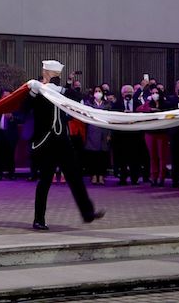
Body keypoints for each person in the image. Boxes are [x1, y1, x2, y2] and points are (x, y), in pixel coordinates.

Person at [24, 60, 105, 230]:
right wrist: (33, 92)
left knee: (75, 177)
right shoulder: (38, 90)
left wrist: (59, 89)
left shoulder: (61, 92)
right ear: (46, 73)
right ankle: (38, 219)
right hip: (46, 141)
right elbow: (23, 109)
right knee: (45, 180)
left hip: (63, 141)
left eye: (58, 76)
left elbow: (78, 98)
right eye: (55, 75)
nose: (57, 78)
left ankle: (87, 213)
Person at [137, 86, 170, 186]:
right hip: (150, 133)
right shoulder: (148, 104)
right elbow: (138, 110)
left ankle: (161, 177)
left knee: (162, 156)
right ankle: (153, 177)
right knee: (152, 157)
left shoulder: (165, 105)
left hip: (162, 133)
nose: (155, 95)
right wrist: (149, 108)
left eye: (156, 93)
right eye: (153, 93)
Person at [111, 84, 143, 185]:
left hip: (135, 136)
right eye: (126, 93)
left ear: (133, 93)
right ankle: (123, 178)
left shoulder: (138, 104)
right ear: (122, 94)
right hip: (121, 136)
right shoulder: (117, 104)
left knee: (135, 158)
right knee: (122, 158)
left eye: (130, 92)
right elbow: (113, 116)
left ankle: (135, 178)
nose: (128, 94)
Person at [84, 86, 111, 185]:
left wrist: (109, 134)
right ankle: (94, 175)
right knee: (93, 156)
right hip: (92, 131)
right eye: (96, 91)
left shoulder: (107, 105)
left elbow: (110, 119)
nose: (98, 93)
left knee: (102, 156)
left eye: (99, 91)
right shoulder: (89, 104)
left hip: (104, 132)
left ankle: (101, 175)